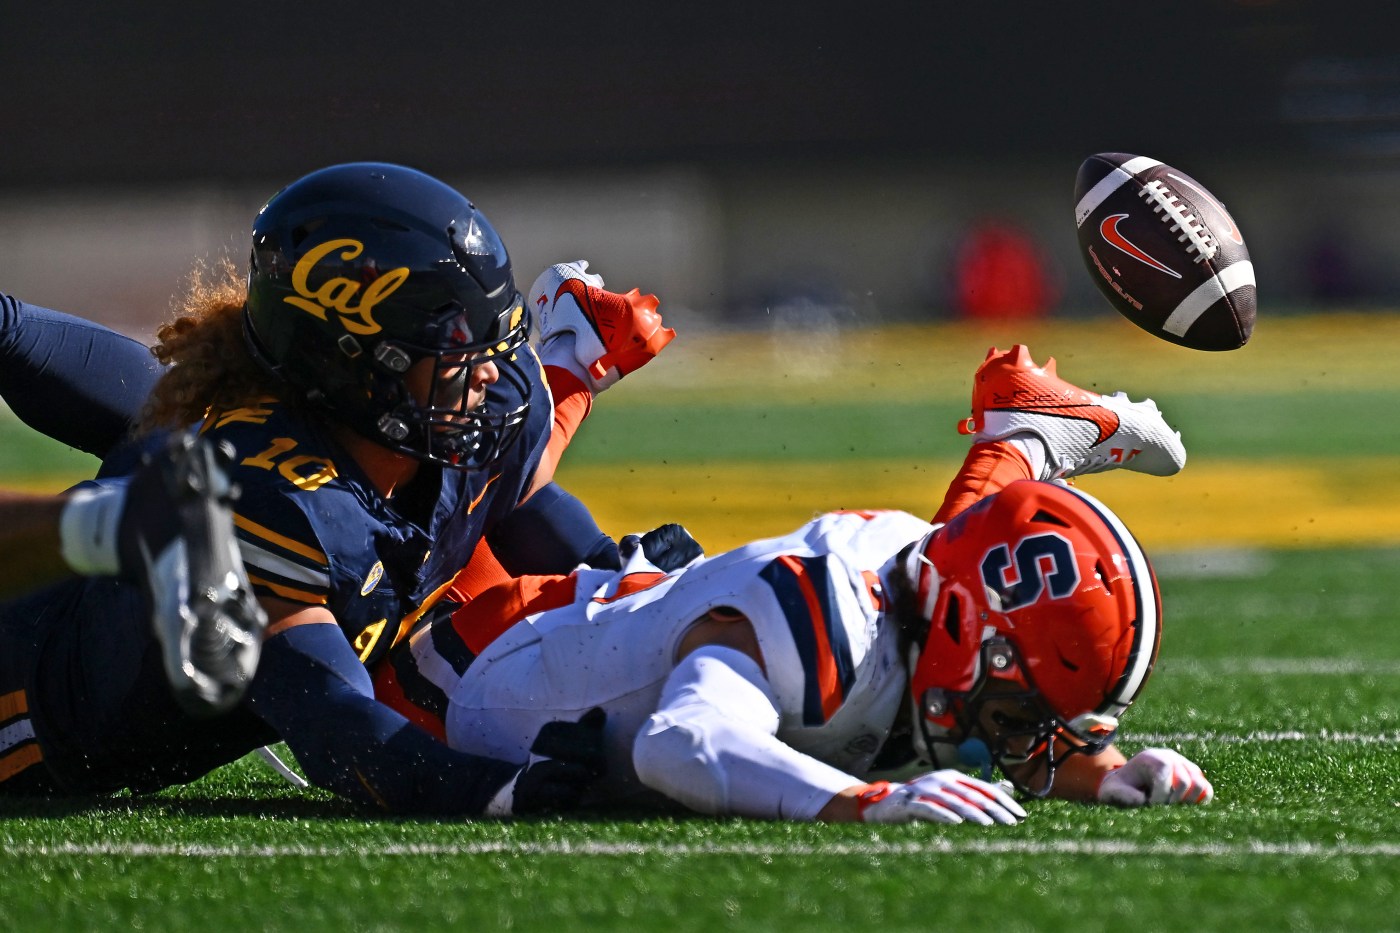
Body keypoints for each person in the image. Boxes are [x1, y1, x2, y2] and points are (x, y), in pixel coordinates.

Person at [0, 163, 676, 814]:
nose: (491, 378)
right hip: (36, 667)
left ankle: (567, 360)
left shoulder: (463, 413)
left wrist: (622, 572)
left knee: (161, 414)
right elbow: (339, 725)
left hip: (169, 496)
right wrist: (499, 789)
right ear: (360, 363)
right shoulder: (274, 506)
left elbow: (515, 489)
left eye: (491, 349)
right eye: (455, 353)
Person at [382, 345, 1212, 823]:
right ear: (966, 637)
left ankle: (1025, 438)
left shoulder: (930, 585)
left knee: (934, 562)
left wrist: (1103, 770)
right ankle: (563, 360)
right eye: (1023, 716)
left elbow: (982, 663)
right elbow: (681, 745)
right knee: (439, 502)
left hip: (627, 614)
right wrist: (864, 800)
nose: (1028, 740)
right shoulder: (829, 616)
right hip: (463, 668)